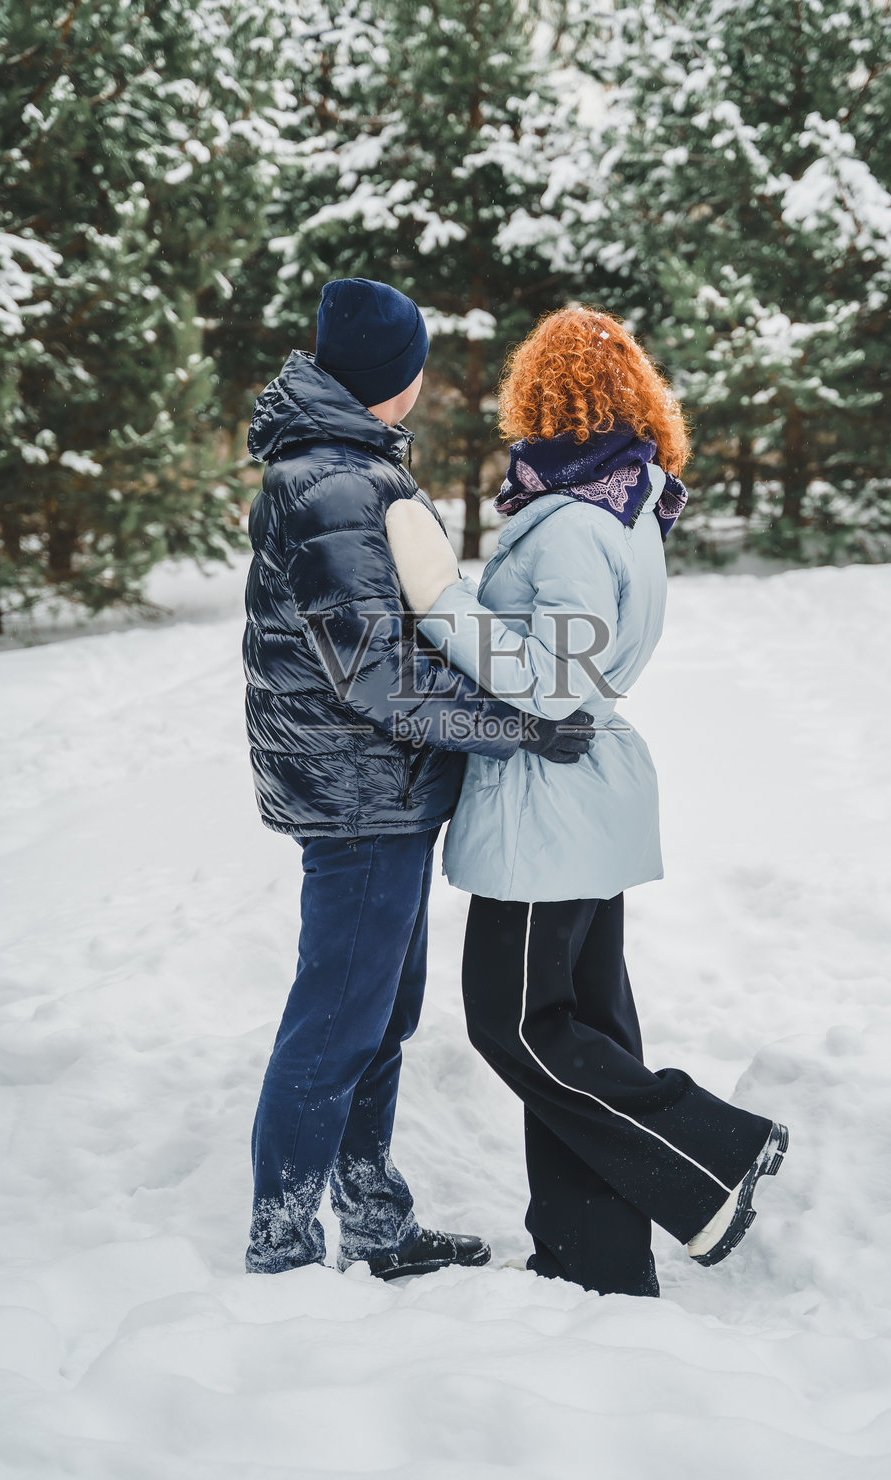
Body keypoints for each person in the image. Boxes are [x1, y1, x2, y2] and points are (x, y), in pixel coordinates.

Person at [385, 306, 788, 1298]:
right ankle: (592, 1255)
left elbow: (552, 678)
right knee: (584, 1029)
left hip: (545, 808)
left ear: (541, 395)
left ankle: (710, 1156)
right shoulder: (623, 501)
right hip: (577, 800)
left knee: (516, 1026)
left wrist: (442, 605)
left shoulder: (569, 520)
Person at [242, 278, 593, 1279]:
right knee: (337, 1020)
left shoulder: (346, 468)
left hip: (378, 789)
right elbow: (373, 669)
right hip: (360, 795)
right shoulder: (336, 485)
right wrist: (514, 725)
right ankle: (283, 1242)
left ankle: (372, 1219)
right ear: (390, 379)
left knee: (377, 1015)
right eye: (415, 367)